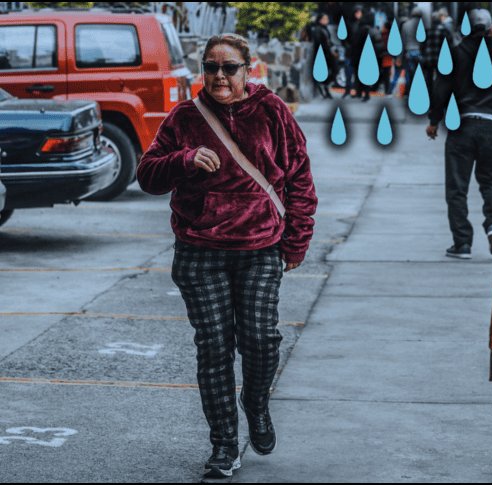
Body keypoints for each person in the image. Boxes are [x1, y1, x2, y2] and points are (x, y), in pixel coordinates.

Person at [136, 33, 318, 479]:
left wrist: (295, 243)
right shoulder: (184, 117)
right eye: (211, 67)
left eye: (229, 67)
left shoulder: (272, 111)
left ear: (248, 69)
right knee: (214, 350)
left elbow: (300, 181)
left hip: (259, 249)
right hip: (199, 253)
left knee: (260, 340)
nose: (219, 76)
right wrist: (182, 159)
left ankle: (255, 403)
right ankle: (223, 445)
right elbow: (147, 176)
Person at [426, 9, 492, 260]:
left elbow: (441, 90)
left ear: (464, 30)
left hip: (462, 126)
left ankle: (462, 243)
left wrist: (434, 121)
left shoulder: (456, 54)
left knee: (457, 187)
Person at [349, 11, 384, 102]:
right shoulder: (373, 29)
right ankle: (364, 93)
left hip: (359, 56)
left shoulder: (361, 29)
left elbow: (355, 44)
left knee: (358, 76)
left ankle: (361, 93)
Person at [422, 11, 451, 94]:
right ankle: (439, 97)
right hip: (440, 58)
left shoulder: (427, 31)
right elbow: (449, 44)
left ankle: (430, 96)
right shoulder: (444, 30)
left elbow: (423, 45)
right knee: (441, 79)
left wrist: (424, 55)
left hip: (429, 58)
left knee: (429, 79)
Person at [400, 7, 424, 97]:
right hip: (420, 52)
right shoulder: (423, 25)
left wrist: (400, 56)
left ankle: (409, 91)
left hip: (409, 52)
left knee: (409, 73)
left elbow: (402, 41)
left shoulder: (405, 25)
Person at [342, 5, 364, 98]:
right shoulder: (348, 23)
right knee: (349, 72)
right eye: (357, 12)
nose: (359, 15)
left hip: (359, 51)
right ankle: (347, 90)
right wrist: (348, 46)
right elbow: (344, 38)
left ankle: (358, 92)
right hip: (350, 51)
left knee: (359, 73)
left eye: (360, 13)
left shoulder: (362, 24)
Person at [311, 13, 335, 100]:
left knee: (331, 71)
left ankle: (325, 88)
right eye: (325, 19)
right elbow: (319, 43)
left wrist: (331, 47)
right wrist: (327, 49)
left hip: (327, 53)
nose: (327, 21)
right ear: (320, 20)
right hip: (322, 54)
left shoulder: (325, 29)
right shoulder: (318, 29)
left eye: (327, 19)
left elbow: (328, 41)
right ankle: (324, 89)